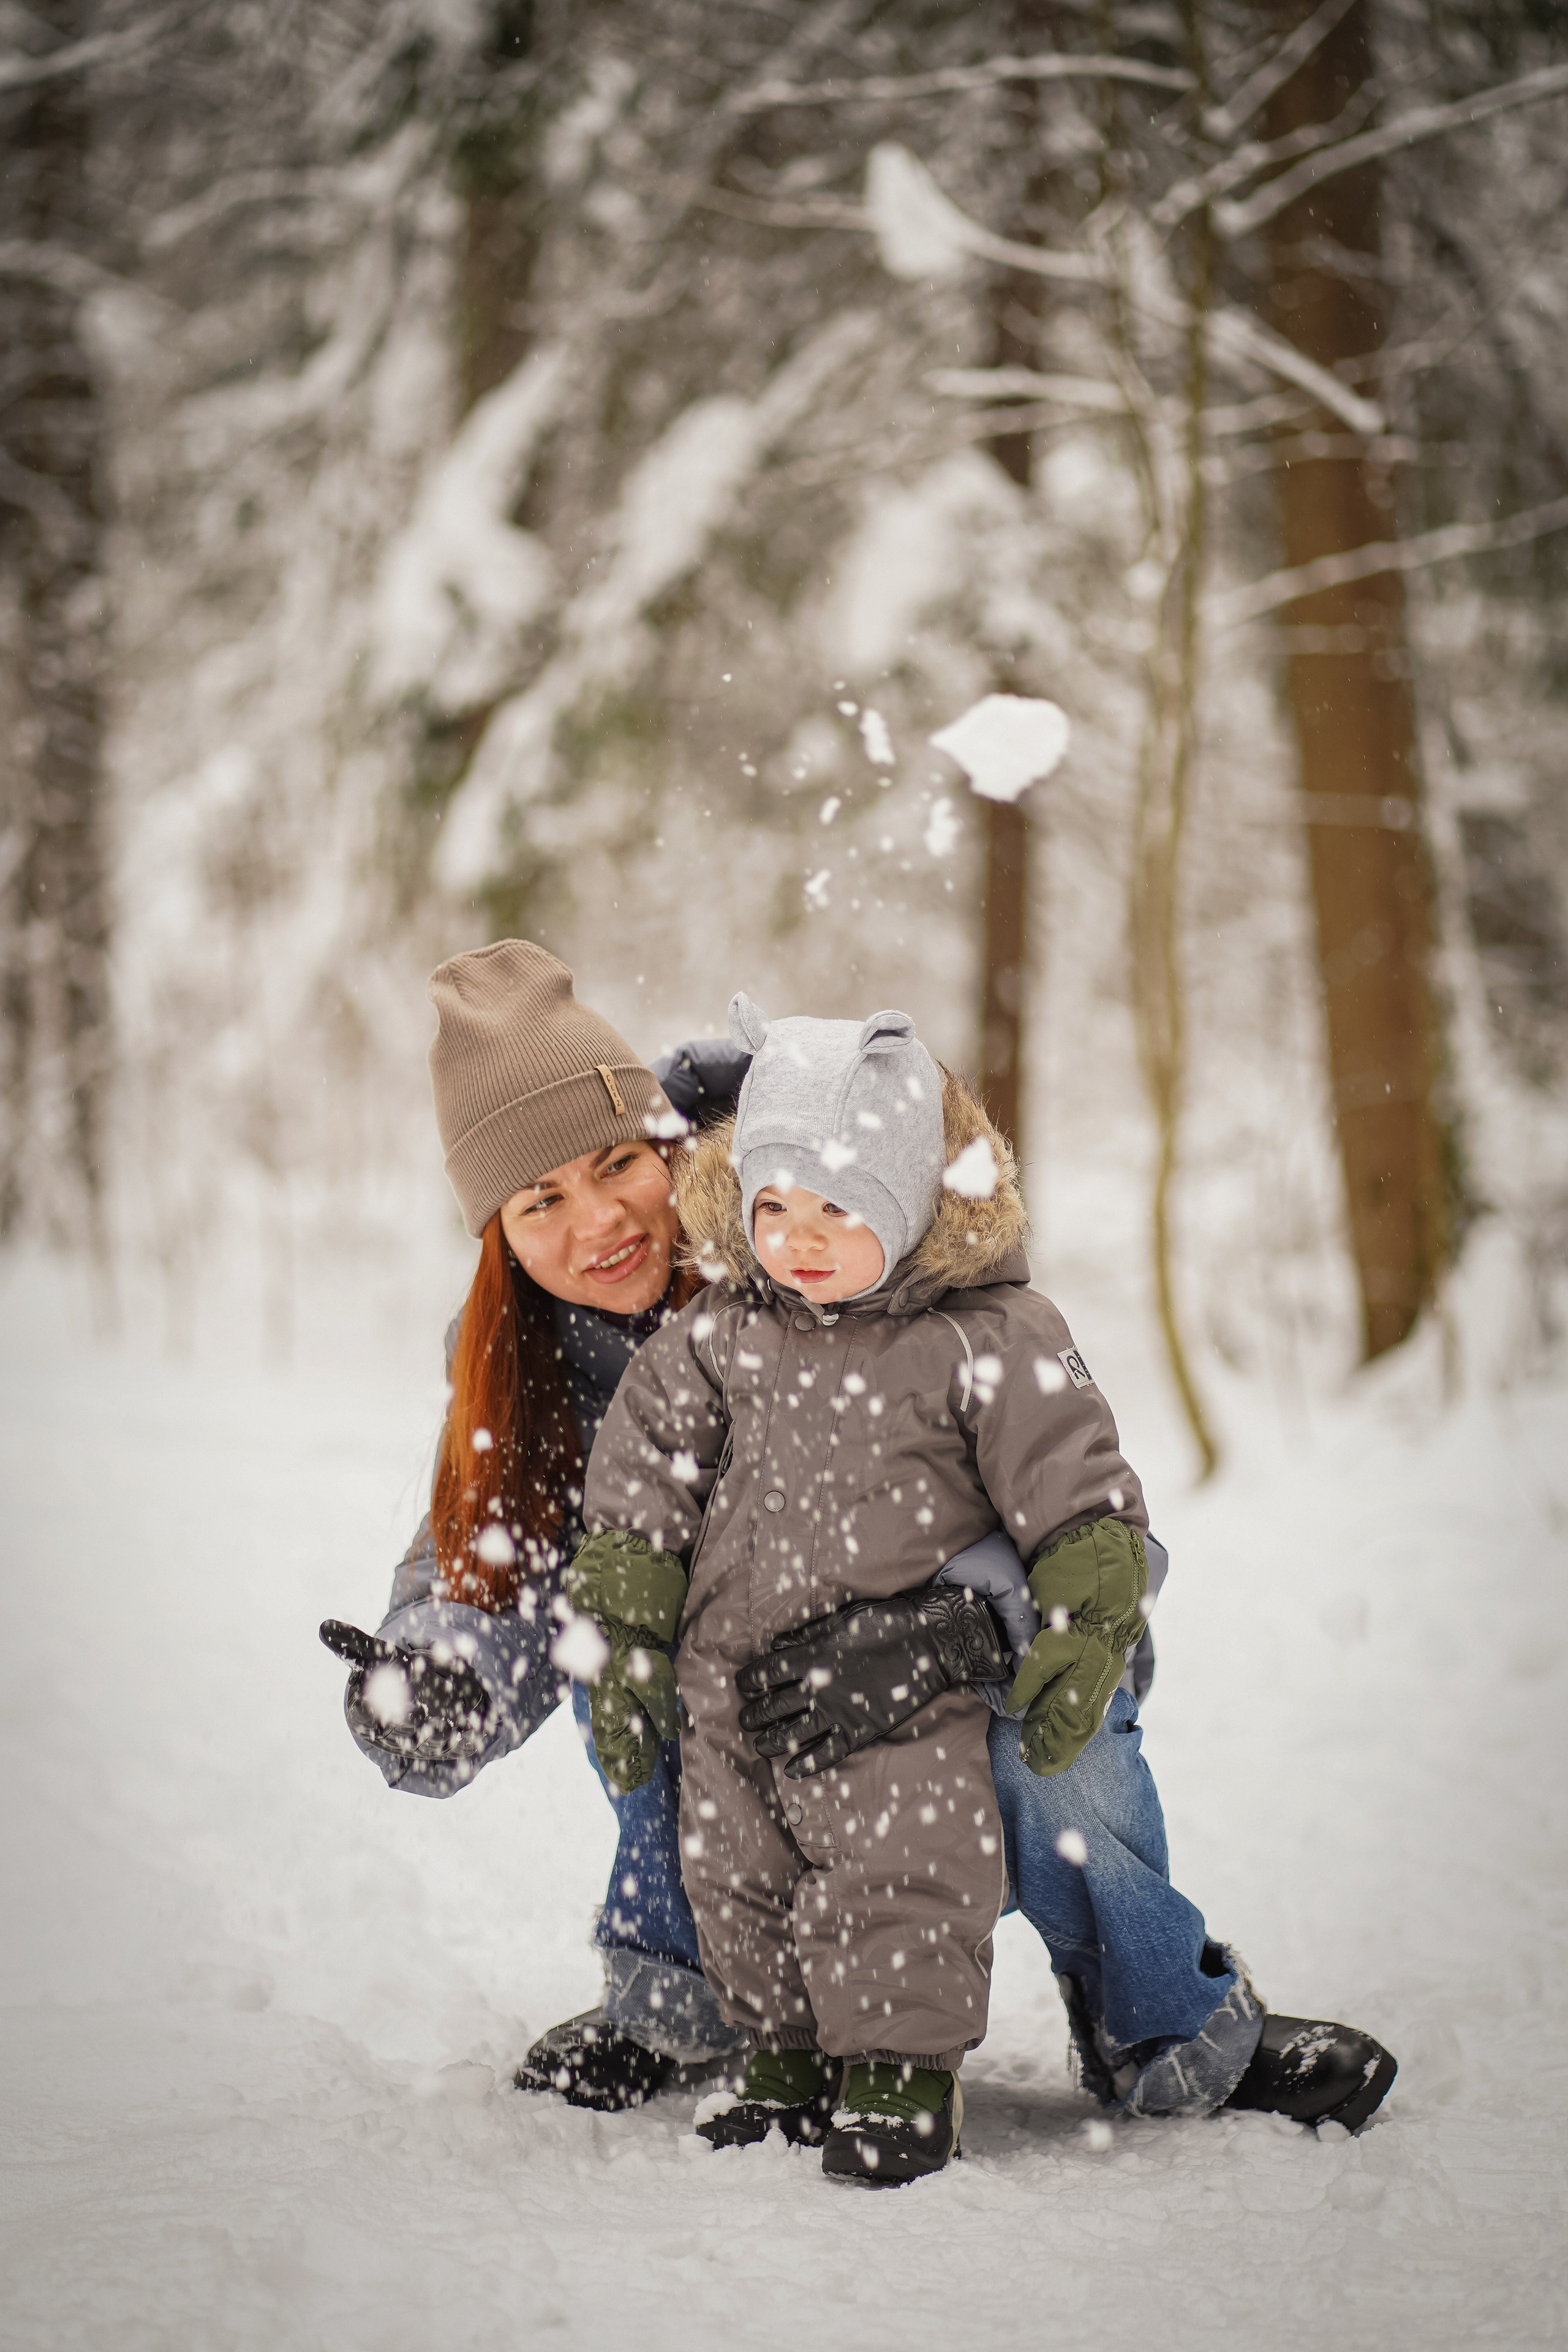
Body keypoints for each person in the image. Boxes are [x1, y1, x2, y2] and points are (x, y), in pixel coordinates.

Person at [323, 938, 1395, 2137]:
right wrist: (433, 1679)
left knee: (1062, 1732)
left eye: (617, 1162)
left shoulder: (859, 1229)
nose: (599, 1222)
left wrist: (948, 1629)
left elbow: (1074, 1499)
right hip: (754, 1756)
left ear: (674, 1148)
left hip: (945, 1716)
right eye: (540, 1201)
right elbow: (486, 1569)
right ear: (497, 1237)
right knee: (615, 1630)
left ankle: (1155, 2018)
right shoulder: (537, 1375)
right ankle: (691, 1997)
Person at [571, 995, 1163, 2184]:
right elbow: (640, 1473)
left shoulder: (982, 1335)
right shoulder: (723, 1335)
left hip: (899, 1682)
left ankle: (900, 2067)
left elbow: (1075, 1480)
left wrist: (1085, 1596)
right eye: (774, 1205)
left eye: (839, 1207)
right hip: (730, 1677)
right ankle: (783, 2050)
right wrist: (625, 1611)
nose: (798, 1238)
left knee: (899, 1865)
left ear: (907, 1204)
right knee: (735, 1864)